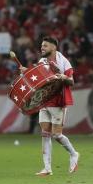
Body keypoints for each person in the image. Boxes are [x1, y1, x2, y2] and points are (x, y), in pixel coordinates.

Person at [20, 37, 79, 176]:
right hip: (45, 101)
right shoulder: (42, 62)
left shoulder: (63, 61)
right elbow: (38, 80)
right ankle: (47, 168)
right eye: (41, 46)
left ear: (54, 47)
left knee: (57, 135)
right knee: (45, 134)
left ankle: (74, 154)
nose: (42, 48)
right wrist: (27, 71)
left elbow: (72, 82)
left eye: (45, 46)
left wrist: (64, 77)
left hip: (58, 101)